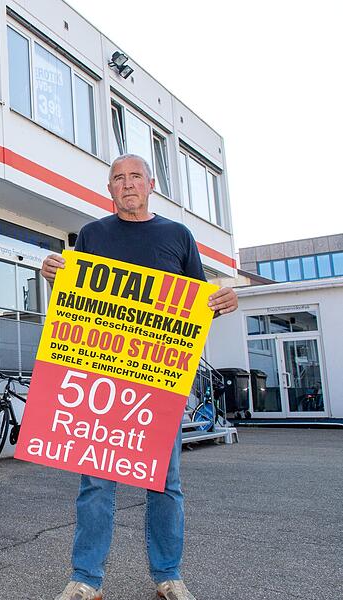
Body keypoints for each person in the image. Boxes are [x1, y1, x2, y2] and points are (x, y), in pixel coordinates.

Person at [41, 154, 238, 600]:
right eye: (118, 179)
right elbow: (73, 299)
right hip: (102, 381)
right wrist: (52, 275)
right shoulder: (92, 235)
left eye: (134, 177)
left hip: (160, 383)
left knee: (165, 482)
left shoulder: (177, 236)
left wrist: (225, 301)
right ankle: (85, 580)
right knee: (95, 483)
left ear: (151, 184)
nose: (127, 184)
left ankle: (168, 576)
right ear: (108, 189)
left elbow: (200, 306)